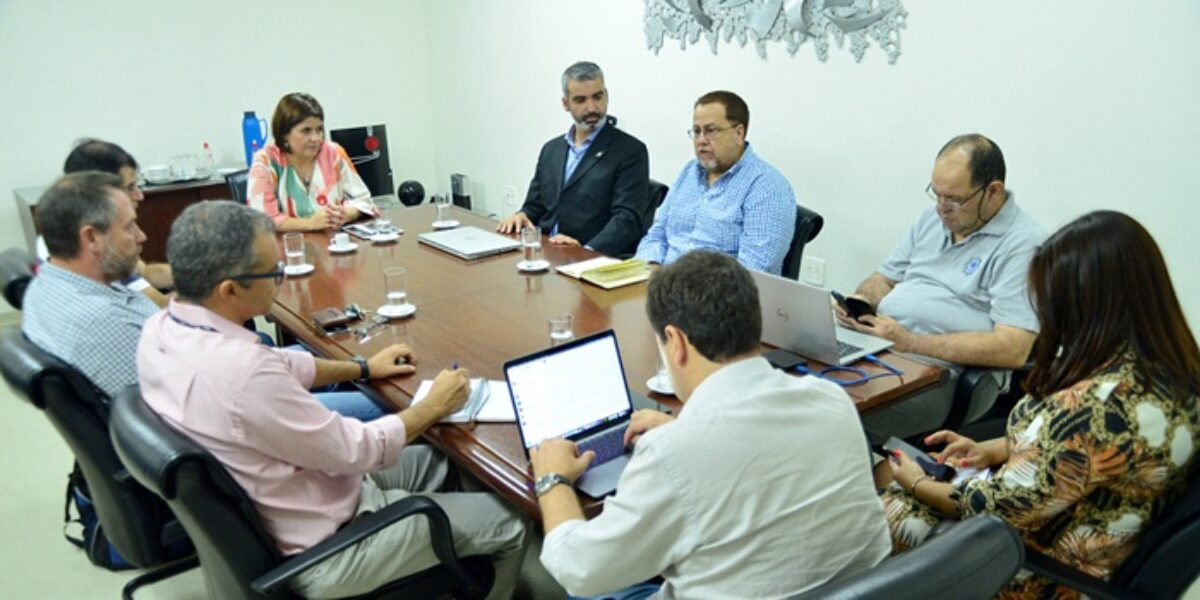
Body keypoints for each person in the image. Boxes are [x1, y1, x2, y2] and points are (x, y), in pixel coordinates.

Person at [137, 201, 529, 599]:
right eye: (274, 272)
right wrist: (433, 407)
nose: (282, 276)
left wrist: (362, 368)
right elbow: (357, 449)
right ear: (230, 289)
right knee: (513, 521)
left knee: (446, 461)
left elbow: (282, 362)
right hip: (327, 550)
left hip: (296, 494)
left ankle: (444, 565)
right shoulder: (245, 375)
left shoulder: (162, 330)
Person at [531, 251, 891, 599]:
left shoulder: (673, 453)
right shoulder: (831, 401)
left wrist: (553, 479)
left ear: (675, 342)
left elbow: (579, 570)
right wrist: (682, 427)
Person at [879, 211, 1200, 599]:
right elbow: (1081, 458)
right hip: (1073, 535)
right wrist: (991, 449)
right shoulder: (1166, 372)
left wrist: (914, 480)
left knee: (885, 507)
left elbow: (987, 508)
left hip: (1037, 575)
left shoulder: (1096, 408)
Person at [839, 134, 1047, 438]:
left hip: (945, 378)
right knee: (792, 388)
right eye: (936, 195)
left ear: (993, 191)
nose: (941, 208)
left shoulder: (1024, 244)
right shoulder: (934, 219)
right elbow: (884, 279)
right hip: (885, 353)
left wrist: (908, 341)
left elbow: (1012, 348)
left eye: (954, 199)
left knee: (831, 416)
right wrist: (860, 300)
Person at [22, 172, 157, 399]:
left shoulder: (43, 284)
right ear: (92, 238)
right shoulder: (107, 323)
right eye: (130, 226)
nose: (141, 236)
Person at [496, 61, 650, 256]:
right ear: (566, 104)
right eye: (580, 100)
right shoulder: (552, 150)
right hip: (546, 254)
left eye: (597, 97)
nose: (592, 107)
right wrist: (521, 216)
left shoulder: (630, 151)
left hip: (591, 258)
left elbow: (627, 220)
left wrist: (585, 250)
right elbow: (535, 205)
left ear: (607, 96)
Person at [634, 91, 796, 274]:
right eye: (696, 131)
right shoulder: (689, 172)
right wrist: (651, 269)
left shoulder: (766, 186)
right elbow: (657, 234)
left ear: (738, 133)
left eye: (711, 131)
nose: (701, 141)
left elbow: (754, 269)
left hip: (718, 296)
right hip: (664, 287)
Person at [50, 139, 172, 307]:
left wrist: (201, 274)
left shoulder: (89, 226)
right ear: (100, 191)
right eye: (129, 187)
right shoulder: (99, 246)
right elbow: (160, 305)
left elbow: (145, 272)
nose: (139, 195)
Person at [247, 93, 375, 232]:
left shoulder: (334, 153)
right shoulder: (266, 161)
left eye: (319, 130)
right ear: (284, 134)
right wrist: (310, 223)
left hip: (335, 244)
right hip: (288, 248)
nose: (315, 138)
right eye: (306, 131)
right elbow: (261, 220)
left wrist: (346, 214)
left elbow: (364, 201)